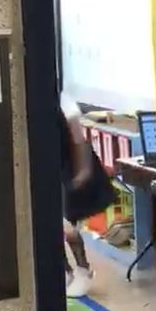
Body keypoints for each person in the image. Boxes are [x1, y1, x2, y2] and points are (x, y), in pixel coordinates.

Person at [59, 90, 109, 298]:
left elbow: (79, 140)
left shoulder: (63, 100)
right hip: (47, 167)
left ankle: (83, 270)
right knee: (46, 227)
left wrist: (82, 172)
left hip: (68, 168)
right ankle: (65, 272)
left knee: (67, 227)